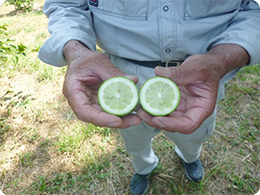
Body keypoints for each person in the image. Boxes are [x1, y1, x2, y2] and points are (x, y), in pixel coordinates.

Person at [38, 1, 260, 194]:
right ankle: (144, 168)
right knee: (133, 137)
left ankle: (190, 157)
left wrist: (219, 61)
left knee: (194, 135)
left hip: (199, 78)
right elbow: (67, 5)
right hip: (122, 76)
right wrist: (76, 50)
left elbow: (251, 12)